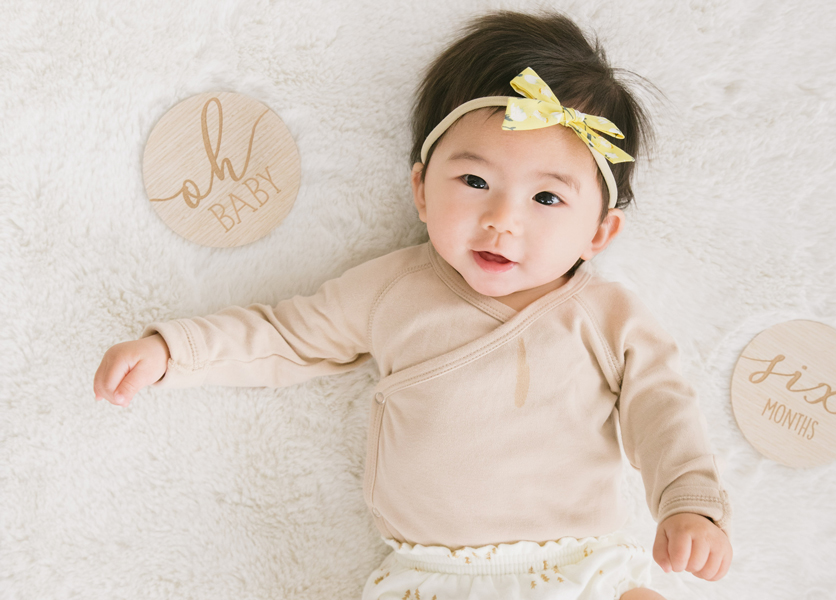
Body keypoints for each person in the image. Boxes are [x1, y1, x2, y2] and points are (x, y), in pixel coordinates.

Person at [93, 10, 732, 600]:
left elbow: (664, 413)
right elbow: (287, 335)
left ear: (599, 232)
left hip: (578, 567)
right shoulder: (394, 289)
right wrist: (174, 351)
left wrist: (688, 504)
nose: (501, 221)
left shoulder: (610, 317)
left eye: (546, 199)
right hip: (431, 576)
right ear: (422, 189)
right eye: (475, 181)